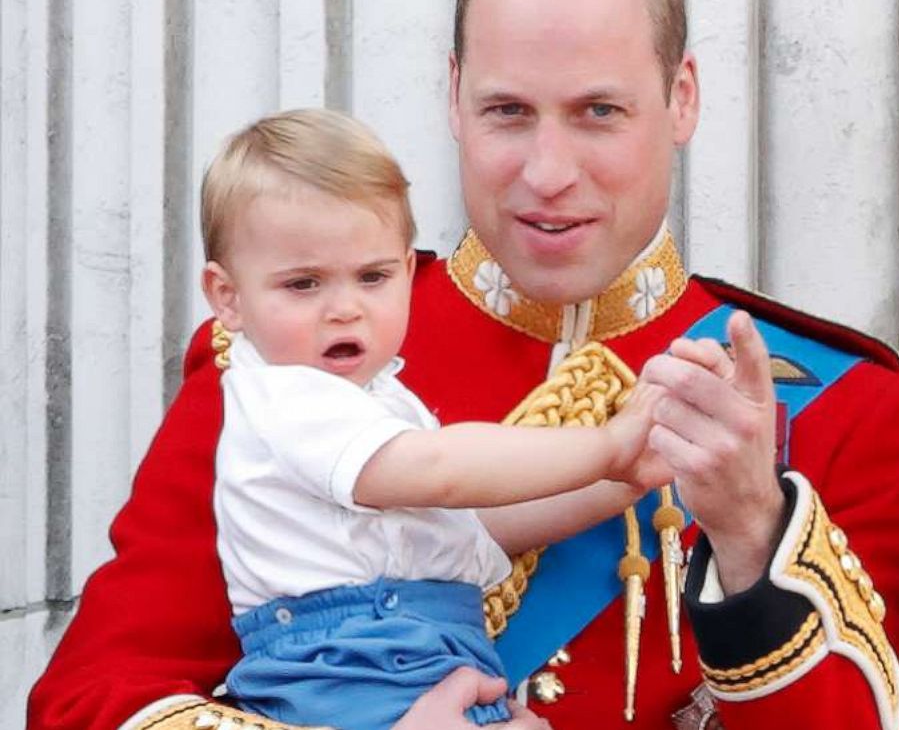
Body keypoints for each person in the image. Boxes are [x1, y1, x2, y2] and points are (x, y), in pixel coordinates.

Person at [29, 0, 899, 730]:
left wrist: (749, 536)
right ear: (453, 97)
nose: (547, 171)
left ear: (683, 97)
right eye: (508, 110)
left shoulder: (847, 410)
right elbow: (87, 704)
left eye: (598, 112)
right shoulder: (281, 354)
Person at [197, 109, 671, 729]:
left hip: (413, 655)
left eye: (373, 277)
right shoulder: (285, 397)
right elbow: (441, 471)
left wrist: (625, 480)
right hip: (352, 666)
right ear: (227, 297)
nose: (345, 309)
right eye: (304, 284)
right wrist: (606, 445)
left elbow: (480, 528)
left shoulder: (380, 402)